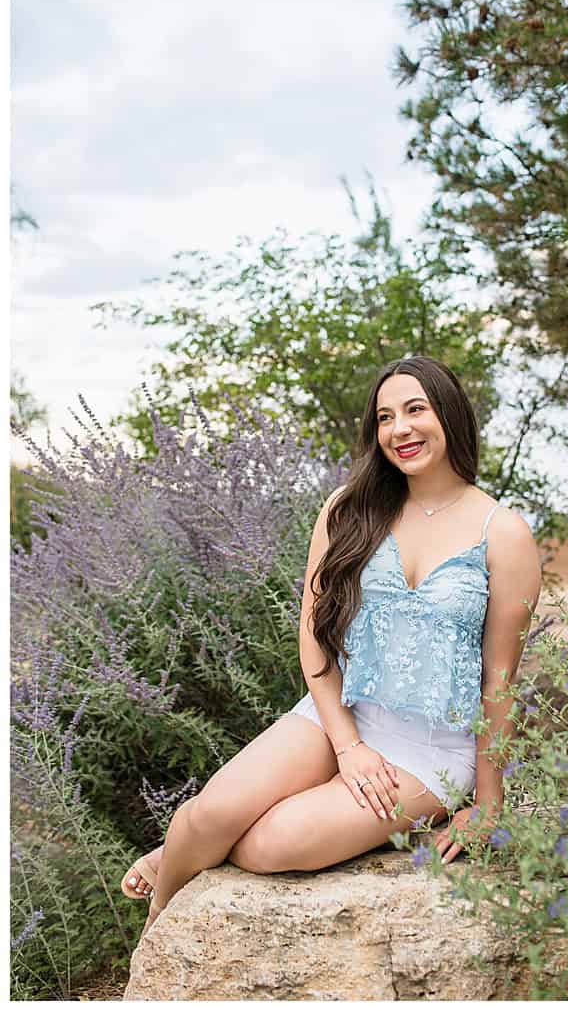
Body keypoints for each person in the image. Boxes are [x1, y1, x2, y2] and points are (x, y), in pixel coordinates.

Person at [117, 356, 540, 935]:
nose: (400, 429)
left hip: (430, 750)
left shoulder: (505, 532)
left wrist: (487, 806)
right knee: (208, 814)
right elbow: (315, 641)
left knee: (268, 843)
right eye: (385, 417)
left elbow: (499, 678)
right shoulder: (349, 510)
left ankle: (183, 850)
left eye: (416, 409)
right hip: (339, 714)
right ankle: (158, 937)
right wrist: (348, 748)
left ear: (449, 413)